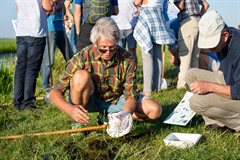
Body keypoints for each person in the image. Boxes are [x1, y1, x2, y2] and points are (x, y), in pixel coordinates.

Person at [49, 17, 162, 125]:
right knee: (80, 76)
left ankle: (112, 116)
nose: (108, 52)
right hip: (90, 100)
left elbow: (130, 96)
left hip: (117, 100)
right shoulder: (81, 58)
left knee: (155, 110)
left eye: (112, 48)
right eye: (103, 48)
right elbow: (55, 92)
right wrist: (70, 109)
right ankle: (79, 121)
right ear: (95, 43)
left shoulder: (127, 59)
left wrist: (125, 115)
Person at [185, 10, 240, 133]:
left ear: (225, 35)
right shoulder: (226, 38)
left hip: (237, 90)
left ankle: (236, 123)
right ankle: (216, 122)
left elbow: (238, 91)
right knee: (192, 74)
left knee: (196, 102)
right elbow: (225, 68)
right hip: (231, 83)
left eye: (213, 44)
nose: (210, 48)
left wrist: (209, 87)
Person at [14, 0, 53, 110]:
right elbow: (48, 6)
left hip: (21, 30)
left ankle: (18, 101)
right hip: (36, 30)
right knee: (32, 68)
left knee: (20, 67)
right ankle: (28, 102)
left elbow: (18, 8)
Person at [133, 0, 176, 96]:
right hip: (159, 16)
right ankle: (157, 87)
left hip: (147, 15)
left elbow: (137, 2)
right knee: (157, 56)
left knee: (147, 57)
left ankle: (147, 90)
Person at [175, 0, 209, 89]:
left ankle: (182, 85)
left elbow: (180, 7)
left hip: (187, 21)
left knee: (185, 55)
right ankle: (193, 84)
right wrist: (201, 16)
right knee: (195, 56)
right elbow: (206, 4)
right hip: (198, 22)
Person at [41, 0, 74, 91]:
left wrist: (62, 5)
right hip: (50, 28)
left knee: (70, 56)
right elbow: (49, 9)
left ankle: (72, 80)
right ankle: (45, 85)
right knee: (49, 59)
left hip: (61, 28)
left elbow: (63, 11)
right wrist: (58, 3)